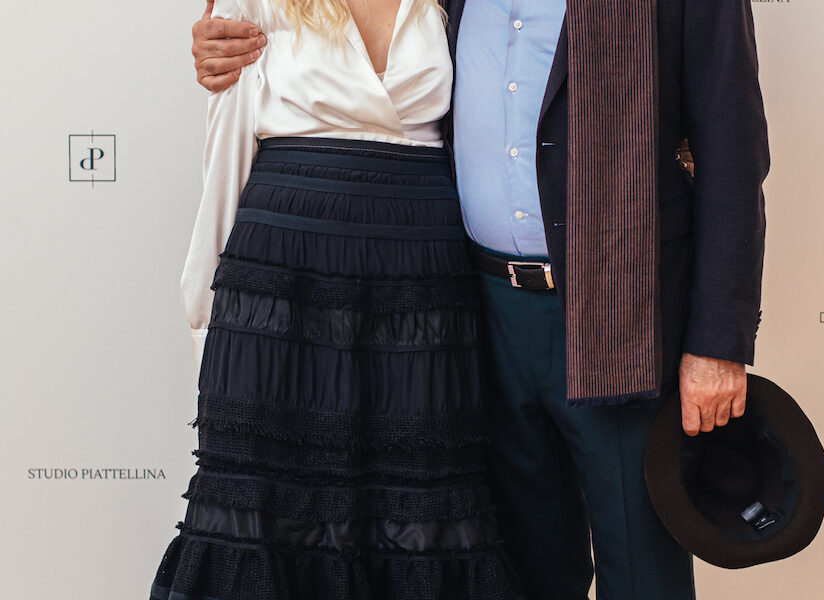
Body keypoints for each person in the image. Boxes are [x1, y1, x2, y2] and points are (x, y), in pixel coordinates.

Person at [189, 0, 769, 598]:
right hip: (477, 313)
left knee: (642, 565)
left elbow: (733, 154)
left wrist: (716, 345)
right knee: (522, 566)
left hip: (615, 314)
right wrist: (220, 49)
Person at [150, 1, 526, 599]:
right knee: (270, 509)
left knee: (420, 508)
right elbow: (225, 146)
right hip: (286, 272)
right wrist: (206, 312)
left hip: (420, 281)